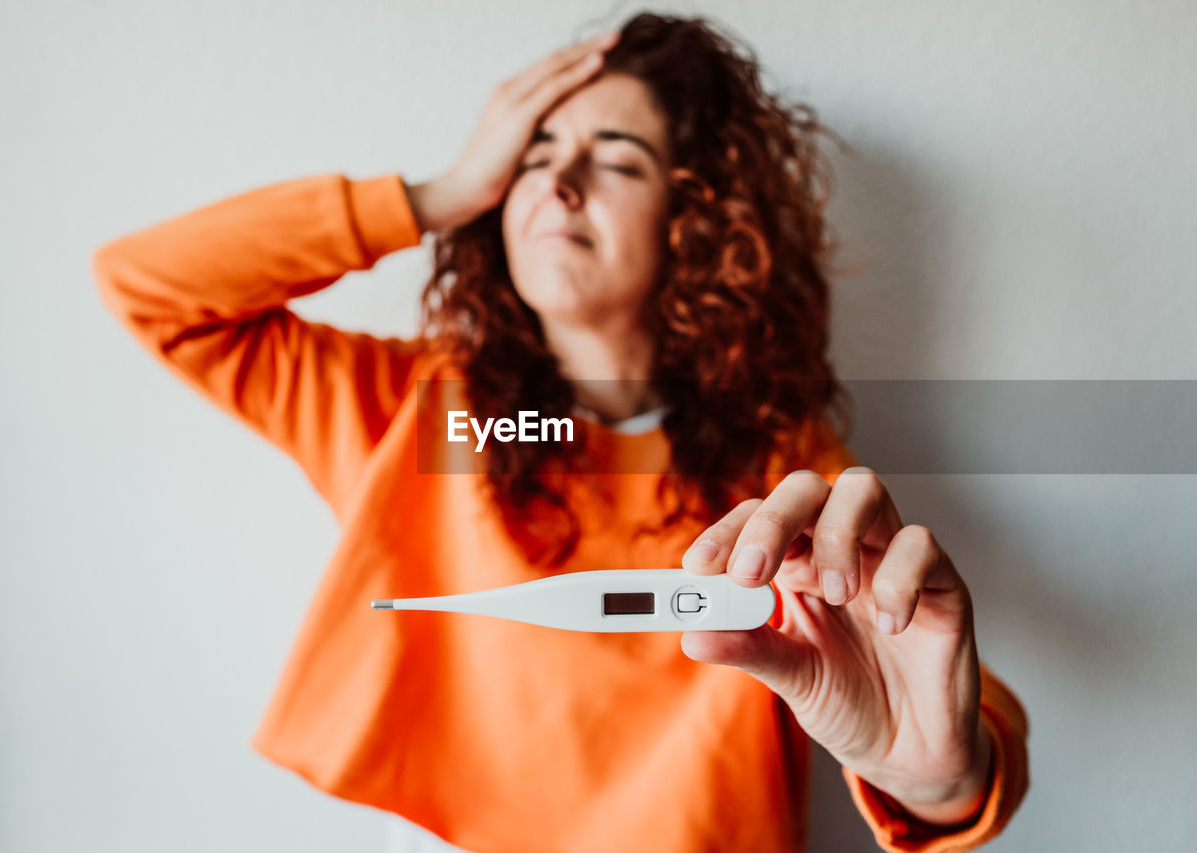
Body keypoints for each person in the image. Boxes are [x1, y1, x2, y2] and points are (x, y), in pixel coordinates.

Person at [92, 12, 1028, 853]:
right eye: (531, 157)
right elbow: (149, 288)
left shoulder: (773, 465)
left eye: (618, 159)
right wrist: (433, 194)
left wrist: (936, 774)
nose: (562, 183)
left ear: (694, 219)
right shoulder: (426, 420)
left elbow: (938, 725)